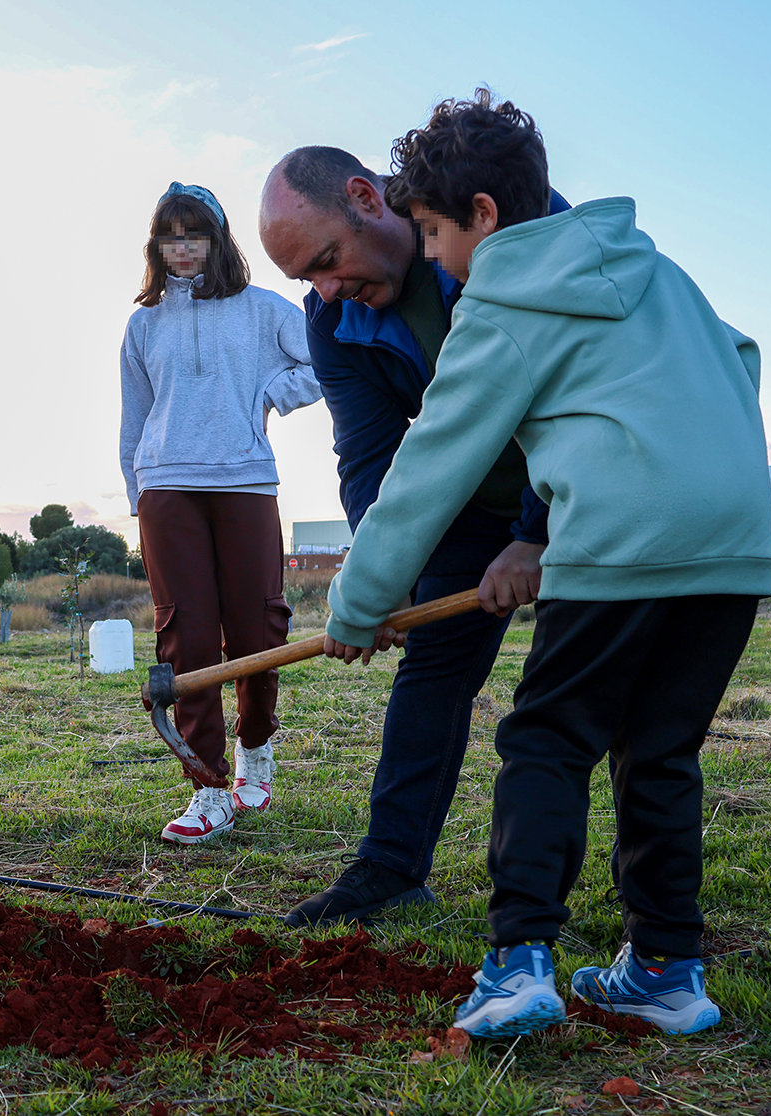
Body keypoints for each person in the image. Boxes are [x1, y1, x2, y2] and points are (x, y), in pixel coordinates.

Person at [320, 90, 771, 1037]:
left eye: (435, 232)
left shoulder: (500, 302)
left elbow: (430, 464)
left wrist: (357, 604)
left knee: (546, 741)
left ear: (484, 215)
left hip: (621, 537)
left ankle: (518, 960)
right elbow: (742, 357)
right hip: (731, 538)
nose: (434, 255)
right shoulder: (652, 266)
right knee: (659, 749)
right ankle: (666, 972)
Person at [256, 147, 567, 925]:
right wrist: (383, 573)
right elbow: (369, 456)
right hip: (468, 504)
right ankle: (391, 867)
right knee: (432, 670)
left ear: (366, 198)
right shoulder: (333, 321)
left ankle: (637, 920)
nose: (326, 290)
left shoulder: (487, 215)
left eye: (327, 260)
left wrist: (536, 533)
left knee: (574, 690)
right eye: (306, 279)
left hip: (581, 482)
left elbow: (576, 378)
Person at [120, 181, 322, 843]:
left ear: (218, 240)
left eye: (194, 235)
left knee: (259, 631)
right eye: (169, 236)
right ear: (156, 245)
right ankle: (208, 788)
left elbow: (324, 358)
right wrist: (138, 496)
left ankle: (255, 748)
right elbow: (134, 420)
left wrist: (272, 392)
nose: (181, 248)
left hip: (245, 482)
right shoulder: (144, 324)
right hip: (167, 487)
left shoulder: (263, 310)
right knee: (188, 639)